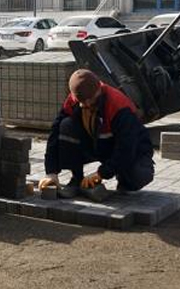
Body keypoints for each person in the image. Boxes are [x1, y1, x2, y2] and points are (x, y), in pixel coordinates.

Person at [38, 69, 155, 198]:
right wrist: (51, 172)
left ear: (99, 89)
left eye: (91, 99)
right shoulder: (74, 100)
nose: (88, 104)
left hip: (130, 149)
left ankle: (124, 180)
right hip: (97, 144)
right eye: (83, 102)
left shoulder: (118, 106)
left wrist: (102, 173)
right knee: (66, 125)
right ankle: (77, 179)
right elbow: (55, 134)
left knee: (138, 175)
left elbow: (127, 147)